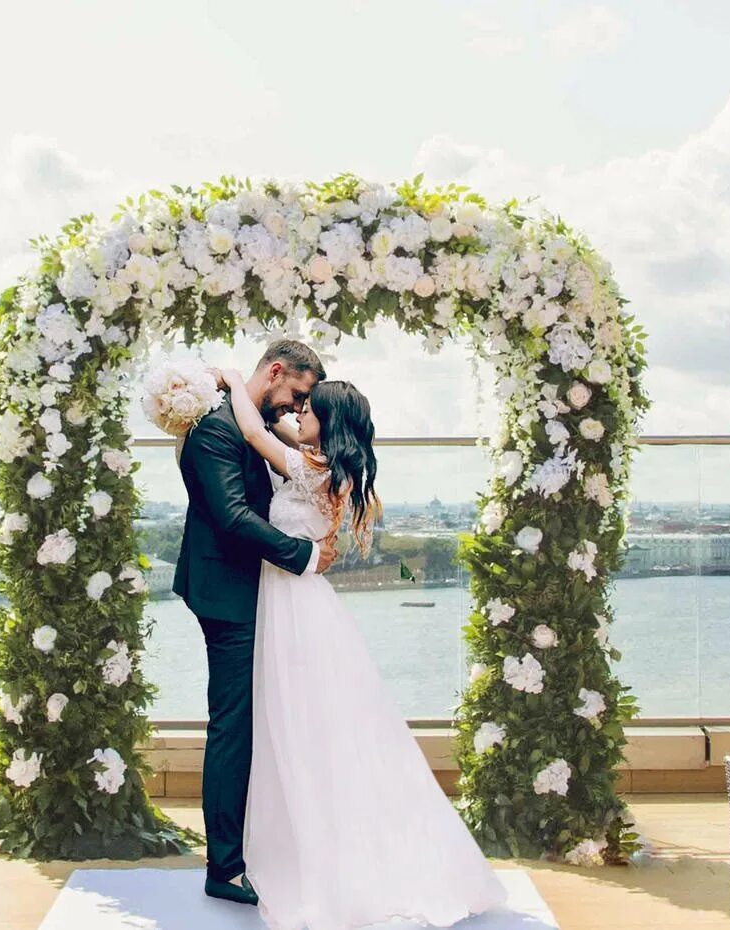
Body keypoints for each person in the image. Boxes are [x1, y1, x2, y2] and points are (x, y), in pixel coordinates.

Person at [217, 366, 509, 930]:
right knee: (310, 725)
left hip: (295, 608)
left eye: (308, 409)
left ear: (327, 425)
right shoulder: (326, 467)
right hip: (298, 601)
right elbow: (275, 424)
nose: (297, 413)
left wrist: (232, 380)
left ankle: (315, 854)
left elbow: (256, 433)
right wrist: (285, 414)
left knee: (299, 724)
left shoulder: (311, 467)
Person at [172, 339, 338, 906]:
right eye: (296, 395)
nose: (296, 409)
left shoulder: (249, 422)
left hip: (258, 592)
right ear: (274, 372)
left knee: (266, 722)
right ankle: (223, 867)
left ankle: (262, 847)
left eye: (304, 403)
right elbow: (233, 516)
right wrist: (304, 556)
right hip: (227, 595)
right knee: (233, 726)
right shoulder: (216, 431)